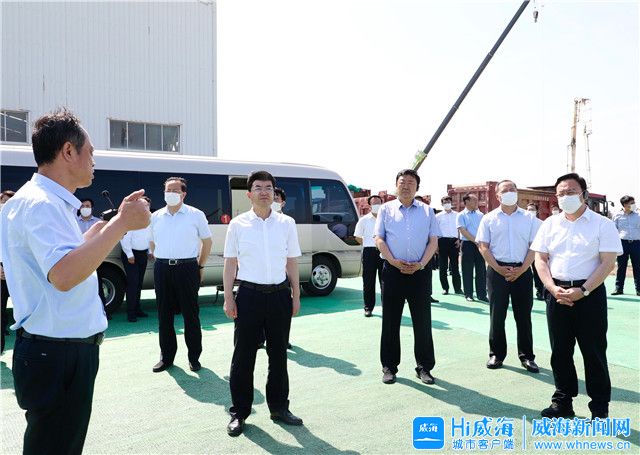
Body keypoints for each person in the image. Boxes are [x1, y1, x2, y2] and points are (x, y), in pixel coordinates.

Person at [0, 109, 150, 454]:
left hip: (56, 348)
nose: (94, 160)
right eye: (91, 152)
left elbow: (55, 265)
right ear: (68, 151)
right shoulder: (42, 205)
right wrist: (121, 225)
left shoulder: (42, 201)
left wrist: (99, 232)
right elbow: (64, 275)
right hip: (56, 352)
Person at [531, 173, 622, 419]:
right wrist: (551, 288)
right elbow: (541, 259)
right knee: (560, 351)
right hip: (557, 294)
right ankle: (563, 402)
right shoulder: (549, 224)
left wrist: (583, 290)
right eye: (561, 193)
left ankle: (599, 407)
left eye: (571, 192)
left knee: (593, 352)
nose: (565, 197)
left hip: (589, 294)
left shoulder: (602, 224)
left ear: (584, 194)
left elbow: (607, 262)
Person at [223, 171, 303, 437]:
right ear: (249, 194)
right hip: (249, 296)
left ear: (274, 193)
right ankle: (239, 412)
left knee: (278, 356)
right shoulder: (238, 224)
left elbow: (291, 261)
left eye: (269, 187)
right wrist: (228, 297)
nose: (264, 192)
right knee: (243, 357)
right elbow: (230, 263)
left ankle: (279, 407)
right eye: (258, 187)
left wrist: (296, 294)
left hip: (279, 296)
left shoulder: (286, 223)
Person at [375, 169, 440, 385]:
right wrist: (393, 261)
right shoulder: (385, 209)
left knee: (422, 322)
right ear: (396, 185)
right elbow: (379, 239)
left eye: (411, 182)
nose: (406, 186)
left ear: (417, 187)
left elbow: (433, 241)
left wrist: (421, 264)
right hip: (393, 271)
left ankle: (424, 367)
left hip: (420, 273)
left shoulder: (427, 211)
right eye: (402, 182)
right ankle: (389, 367)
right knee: (390, 321)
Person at [149, 177, 212, 373]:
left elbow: (207, 242)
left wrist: (200, 266)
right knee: (164, 315)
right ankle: (166, 357)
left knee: (190, 315)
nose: (171, 194)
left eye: (175, 190)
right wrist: (160, 258)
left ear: (184, 194)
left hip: (187, 268)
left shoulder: (196, 215)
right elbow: (151, 242)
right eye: (168, 190)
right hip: (162, 268)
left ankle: (194, 357)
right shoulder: (156, 216)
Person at [476, 181, 540, 373]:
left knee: (524, 316)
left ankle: (527, 356)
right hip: (497, 272)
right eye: (505, 190)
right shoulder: (488, 218)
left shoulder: (529, 218)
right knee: (497, 315)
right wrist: (498, 268)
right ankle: (496, 354)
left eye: (513, 189)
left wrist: (521, 269)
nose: (510, 193)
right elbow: (483, 246)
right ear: (498, 195)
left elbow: (534, 247)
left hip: (522, 271)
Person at [258, 187, 293, 349]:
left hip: (281, 276)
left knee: (282, 313)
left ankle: (283, 339)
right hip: (260, 274)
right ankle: (260, 338)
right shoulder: (257, 220)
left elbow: (291, 254)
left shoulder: (287, 222)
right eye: (273, 198)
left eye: (277, 199)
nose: (274, 201)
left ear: (283, 203)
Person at [120, 196, 152, 322]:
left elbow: (151, 237)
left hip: (143, 254)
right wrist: (129, 254)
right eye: (143, 205)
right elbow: (124, 238)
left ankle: (137, 309)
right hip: (131, 255)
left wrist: (150, 251)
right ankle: (131, 312)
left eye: (147, 205)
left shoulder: (150, 220)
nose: (145, 207)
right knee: (133, 283)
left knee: (139, 283)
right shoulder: (132, 219)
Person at [354, 195, 384, 317]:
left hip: (384, 252)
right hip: (369, 252)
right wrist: (368, 243)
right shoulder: (364, 220)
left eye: (378, 203)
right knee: (368, 281)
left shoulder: (386, 219)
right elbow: (357, 236)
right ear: (370, 205)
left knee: (386, 281)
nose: (377, 205)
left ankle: (387, 307)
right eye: (374, 203)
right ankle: (368, 307)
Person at [457, 193, 487, 302]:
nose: (476, 202)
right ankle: (468, 294)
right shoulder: (461, 215)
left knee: (481, 270)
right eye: (474, 200)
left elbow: (484, 230)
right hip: (467, 244)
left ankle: (482, 295)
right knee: (467, 270)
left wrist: (481, 242)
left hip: (480, 245)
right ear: (467, 202)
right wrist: (475, 241)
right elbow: (463, 230)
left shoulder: (481, 215)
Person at [611, 195, 640, 296]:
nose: (634, 205)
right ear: (625, 204)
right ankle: (618, 288)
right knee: (621, 266)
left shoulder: (638, 215)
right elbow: (613, 231)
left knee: (637, 266)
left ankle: (639, 289)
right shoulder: (617, 215)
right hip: (622, 243)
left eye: (634, 203)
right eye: (631, 203)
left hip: (636, 243)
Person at [436, 196, 462, 295]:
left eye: (448, 201)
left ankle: (458, 288)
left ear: (451, 203)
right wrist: (436, 245)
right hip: (442, 241)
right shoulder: (438, 216)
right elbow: (435, 231)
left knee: (455, 266)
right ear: (442, 204)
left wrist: (459, 239)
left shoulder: (457, 215)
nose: (447, 203)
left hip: (454, 242)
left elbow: (460, 228)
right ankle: (445, 288)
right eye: (445, 202)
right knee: (443, 267)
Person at [1, 190, 16, 353]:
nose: (5, 205)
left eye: (9, 202)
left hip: (18, 274)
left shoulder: (20, 222)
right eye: (3, 201)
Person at [526, 202, 545, 300]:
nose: (530, 211)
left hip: (536, 251)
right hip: (523, 251)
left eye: (532, 209)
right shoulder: (522, 222)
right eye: (529, 209)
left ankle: (540, 291)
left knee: (537, 271)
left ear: (537, 211)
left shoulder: (541, 223)